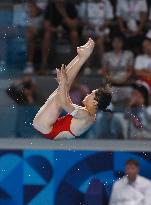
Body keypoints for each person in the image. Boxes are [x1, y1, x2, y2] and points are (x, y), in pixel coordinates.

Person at [33, 38, 112, 140]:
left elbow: (64, 103)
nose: (87, 95)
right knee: (63, 88)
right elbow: (66, 100)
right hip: (46, 127)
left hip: (46, 128)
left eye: (90, 95)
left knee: (61, 93)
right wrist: (63, 84)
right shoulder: (88, 115)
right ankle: (81, 57)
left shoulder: (86, 116)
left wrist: (62, 84)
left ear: (95, 103)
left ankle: (83, 57)